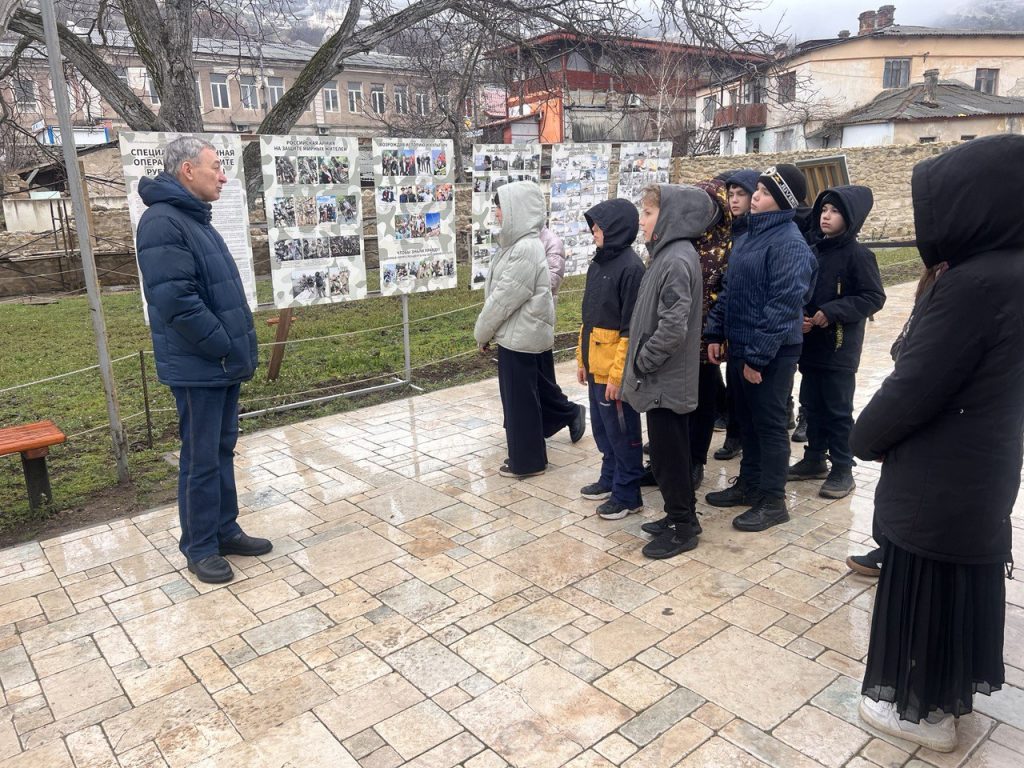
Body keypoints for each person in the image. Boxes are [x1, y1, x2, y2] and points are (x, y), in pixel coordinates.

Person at [852, 134, 1023, 752]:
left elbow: (916, 384)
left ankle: (922, 712)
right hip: (986, 461)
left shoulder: (974, 285)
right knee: (956, 581)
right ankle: (949, 695)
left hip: (941, 469)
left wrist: (864, 437)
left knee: (926, 584)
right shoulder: (1013, 270)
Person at [135, 136, 270, 584]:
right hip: (201, 365)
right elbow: (176, 301)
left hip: (218, 363)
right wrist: (222, 344)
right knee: (200, 458)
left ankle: (224, 530)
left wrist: (228, 348)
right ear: (188, 170)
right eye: (216, 167)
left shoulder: (192, 218)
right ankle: (199, 546)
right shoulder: (162, 222)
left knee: (220, 449)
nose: (224, 176)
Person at [704, 164, 816, 532]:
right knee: (747, 422)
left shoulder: (789, 243)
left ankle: (772, 500)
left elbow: (783, 305)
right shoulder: (750, 235)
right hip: (741, 347)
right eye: (758, 190)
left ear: (783, 200)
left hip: (772, 354)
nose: (755, 197)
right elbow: (730, 290)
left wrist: (757, 357)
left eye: (765, 192)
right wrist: (715, 333)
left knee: (769, 426)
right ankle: (749, 485)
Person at [622, 184, 718, 559]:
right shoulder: (666, 255)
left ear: (670, 217)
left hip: (666, 379)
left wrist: (642, 361)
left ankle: (683, 527)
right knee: (664, 456)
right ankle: (678, 515)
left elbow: (672, 328)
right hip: (661, 379)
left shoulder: (676, 259)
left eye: (648, 213)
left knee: (671, 457)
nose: (641, 221)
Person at [474, 181, 582, 479]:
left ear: (516, 210)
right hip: (518, 334)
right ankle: (529, 457)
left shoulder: (524, 249)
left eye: (500, 208)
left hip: (520, 337)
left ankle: (528, 462)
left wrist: (482, 332)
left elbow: (504, 298)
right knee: (522, 401)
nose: (497, 213)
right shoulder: (519, 245)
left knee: (520, 404)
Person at [787, 185, 885, 499]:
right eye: (824, 210)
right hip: (812, 346)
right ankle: (815, 458)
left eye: (835, 211)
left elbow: (873, 296)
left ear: (850, 217)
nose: (826, 216)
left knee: (837, 410)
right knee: (812, 404)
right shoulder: (814, 250)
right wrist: (802, 316)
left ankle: (843, 467)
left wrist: (831, 312)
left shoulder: (859, 256)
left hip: (840, 349)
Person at [576, 199, 646, 519]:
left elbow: (631, 329)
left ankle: (628, 493)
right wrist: (582, 361)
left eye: (599, 225)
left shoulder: (631, 269)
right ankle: (610, 477)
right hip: (595, 366)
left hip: (613, 372)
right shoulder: (598, 264)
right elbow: (588, 319)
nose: (593, 230)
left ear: (616, 228)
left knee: (623, 433)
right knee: (604, 431)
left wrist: (618, 376)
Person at [686, 178, 732, 490]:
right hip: (676, 336)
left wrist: (715, 333)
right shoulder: (680, 241)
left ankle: (695, 460)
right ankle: (668, 457)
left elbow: (726, 295)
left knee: (702, 401)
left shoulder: (728, 246)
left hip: (706, 338)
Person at [713, 169, 758, 462]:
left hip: (755, 326)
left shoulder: (757, 234)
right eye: (731, 194)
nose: (734, 200)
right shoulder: (728, 230)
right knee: (734, 386)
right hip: (730, 318)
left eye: (742, 194)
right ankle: (734, 434)